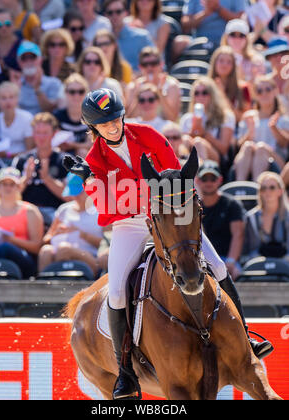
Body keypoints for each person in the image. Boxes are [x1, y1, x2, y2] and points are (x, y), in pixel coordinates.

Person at [63, 87, 272, 399]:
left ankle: (247, 341)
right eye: (105, 124)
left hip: (170, 212)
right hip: (130, 224)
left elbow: (176, 176)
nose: (113, 126)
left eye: (116, 118)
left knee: (216, 264)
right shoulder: (94, 160)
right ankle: (125, 371)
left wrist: (170, 205)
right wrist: (92, 180)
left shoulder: (147, 135)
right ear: (94, 128)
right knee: (118, 290)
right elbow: (108, 207)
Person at [38, 172, 104, 276]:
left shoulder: (101, 211)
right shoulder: (64, 209)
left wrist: (82, 234)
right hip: (60, 252)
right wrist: (56, 233)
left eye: (79, 192)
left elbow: (107, 244)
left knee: (64, 249)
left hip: (91, 257)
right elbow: (46, 240)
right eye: (74, 193)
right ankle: (43, 286)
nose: (76, 196)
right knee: (46, 251)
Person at [12, 112, 68, 227]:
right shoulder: (21, 160)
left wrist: (47, 178)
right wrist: (25, 178)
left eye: (45, 133)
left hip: (55, 215)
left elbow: (71, 197)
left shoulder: (65, 161)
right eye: (38, 133)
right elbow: (9, 195)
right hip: (26, 213)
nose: (41, 138)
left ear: (54, 134)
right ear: (32, 133)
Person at [0, 167, 44, 278]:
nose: (8, 188)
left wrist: (11, 240)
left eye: (12, 184)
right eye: (4, 184)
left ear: (18, 187)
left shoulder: (30, 210)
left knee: (5, 247)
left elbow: (37, 246)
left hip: (23, 258)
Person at [196, 160, 245, 280]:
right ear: (197, 181)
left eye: (212, 178)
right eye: (204, 179)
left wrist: (231, 262)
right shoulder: (193, 207)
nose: (209, 182)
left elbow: (238, 234)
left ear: (220, 180)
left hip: (225, 259)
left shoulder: (231, 204)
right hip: (201, 260)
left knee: (236, 273)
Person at [234, 74, 289, 181]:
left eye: (268, 89)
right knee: (248, 146)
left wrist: (274, 128)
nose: (264, 93)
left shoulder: (283, 119)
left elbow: (285, 144)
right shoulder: (249, 117)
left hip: (276, 162)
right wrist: (250, 132)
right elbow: (239, 146)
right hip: (248, 160)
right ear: (255, 95)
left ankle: (257, 188)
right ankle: (239, 185)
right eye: (259, 91)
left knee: (261, 148)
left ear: (275, 91)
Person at [179, 76, 236, 175]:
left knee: (198, 143)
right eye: (196, 93)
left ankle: (201, 177)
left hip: (217, 159)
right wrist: (193, 130)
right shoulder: (187, 118)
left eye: (204, 92)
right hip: (191, 155)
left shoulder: (225, 116)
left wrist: (204, 134)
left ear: (212, 95)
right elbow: (181, 146)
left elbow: (224, 149)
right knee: (185, 139)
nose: (200, 96)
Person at [172, 0, 246, 61]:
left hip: (228, 41)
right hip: (197, 40)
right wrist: (205, 13)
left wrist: (218, 8)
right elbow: (185, 24)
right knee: (179, 43)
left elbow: (240, 21)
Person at [125, 46, 181, 121]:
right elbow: (130, 119)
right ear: (140, 67)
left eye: (153, 63)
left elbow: (172, 118)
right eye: (145, 64)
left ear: (161, 64)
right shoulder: (133, 87)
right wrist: (137, 95)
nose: (149, 68)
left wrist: (160, 93)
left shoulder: (171, 85)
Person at [243, 171, 289, 261]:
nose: (267, 191)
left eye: (272, 187)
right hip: (258, 267)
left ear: (280, 191)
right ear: (259, 192)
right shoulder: (251, 218)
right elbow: (250, 251)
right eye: (263, 188)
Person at [103, 0, 154, 73]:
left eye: (118, 11)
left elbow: (156, 63)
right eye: (110, 13)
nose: (114, 16)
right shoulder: (101, 40)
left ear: (126, 13)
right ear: (105, 15)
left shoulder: (142, 36)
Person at [17, 40, 64, 115]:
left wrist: (37, 88)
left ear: (40, 60)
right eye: (24, 58)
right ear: (19, 62)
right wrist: (15, 92)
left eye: (32, 57)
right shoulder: (15, 85)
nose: (29, 61)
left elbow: (50, 110)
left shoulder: (54, 83)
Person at [0, 81, 34, 160]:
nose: (8, 101)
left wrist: (9, 155)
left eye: (11, 97)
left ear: (17, 99)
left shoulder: (27, 118)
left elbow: (29, 151)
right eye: (3, 98)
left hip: (22, 161)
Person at [208, 45, 251, 123]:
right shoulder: (204, 87)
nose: (224, 65)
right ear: (214, 62)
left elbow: (242, 119)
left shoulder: (243, 88)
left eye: (229, 62)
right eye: (221, 61)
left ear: (233, 66)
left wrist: (222, 95)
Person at [53, 72, 91, 156]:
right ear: (65, 93)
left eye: (81, 91)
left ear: (86, 93)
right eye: (72, 92)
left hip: (84, 157)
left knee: (82, 152)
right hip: (62, 157)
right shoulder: (57, 116)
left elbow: (92, 144)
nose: (76, 96)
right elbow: (55, 144)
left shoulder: (92, 116)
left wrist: (73, 145)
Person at [220, 18, 266, 83]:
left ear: (247, 39)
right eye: (233, 35)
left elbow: (259, 85)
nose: (237, 39)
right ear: (226, 37)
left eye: (241, 35)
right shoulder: (219, 59)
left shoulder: (256, 61)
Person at [0, 8, 23, 81]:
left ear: (14, 24)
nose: (3, 28)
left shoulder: (23, 46)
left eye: (7, 24)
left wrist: (3, 66)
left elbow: (27, 76)